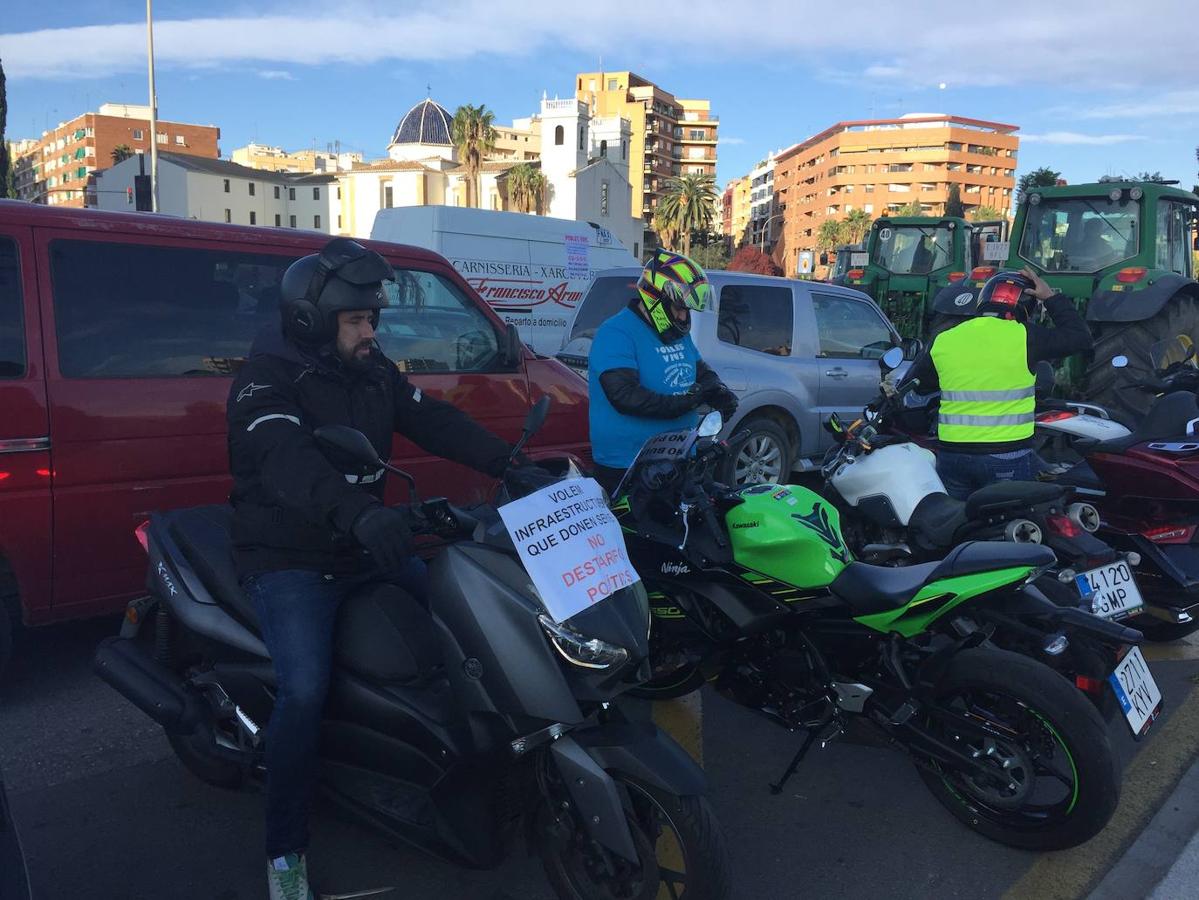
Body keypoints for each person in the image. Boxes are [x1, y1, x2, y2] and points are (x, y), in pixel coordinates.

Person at [226, 238, 516, 900]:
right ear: (311, 320)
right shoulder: (265, 380)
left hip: (362, 545)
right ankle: (284, 852)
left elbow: (431, 419)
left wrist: (510, 462)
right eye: (357, 320)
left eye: (373, 319)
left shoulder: (369, 368)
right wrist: (358, 513)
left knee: (463, 621)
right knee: (304, 690)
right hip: (289, 558)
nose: (370, 332)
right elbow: (287, 460)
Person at [902, 266, 1092, 499]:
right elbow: (1080, 337)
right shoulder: (1027, 336)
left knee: (956, 517)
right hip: (1006, 454)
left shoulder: (944, 339)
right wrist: (1050, 297)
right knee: (1009, 517)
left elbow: (922, 384)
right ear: (1026, 306)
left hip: (953, 456)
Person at [587, 249, 738, 495]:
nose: (683, 316)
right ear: (654, 297)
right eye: (679, 307)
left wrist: (719, 392)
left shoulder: (675, 333)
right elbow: (625, 396)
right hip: (628, 466)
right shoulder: (616, 332)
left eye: (687, 310)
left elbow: (700, 370)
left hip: (679, 457)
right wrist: (686, 403)